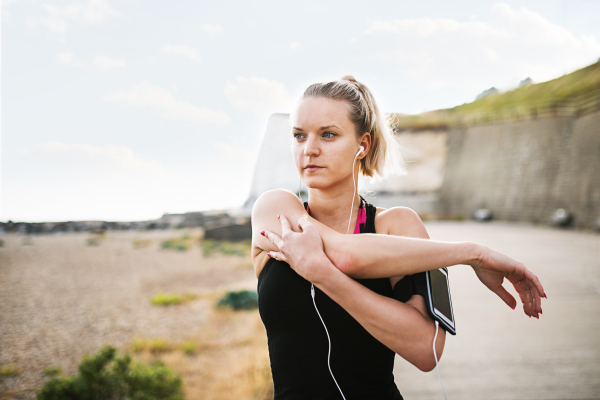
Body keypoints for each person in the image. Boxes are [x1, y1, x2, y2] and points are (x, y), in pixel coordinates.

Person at [251, 76, 545, 400]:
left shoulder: (399, 226)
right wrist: (470, 253)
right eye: (299, 135)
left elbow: (426, 350)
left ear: (362, 144)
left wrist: (323, 275)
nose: (309, 149)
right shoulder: (274, 209)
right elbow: (344, 254)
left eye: (328, 134)